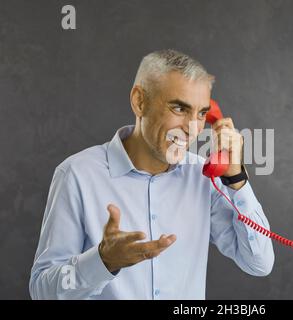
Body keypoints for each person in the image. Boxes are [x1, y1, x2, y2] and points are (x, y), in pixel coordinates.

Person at [29, 49, 274, 299]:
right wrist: (103, 262)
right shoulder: (76, 174)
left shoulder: (202, 177)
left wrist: (235, 179)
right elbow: (42, 292)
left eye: (202, 113)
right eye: (179, 108)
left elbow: (259, 263)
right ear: (139, 101)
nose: (192, 129)